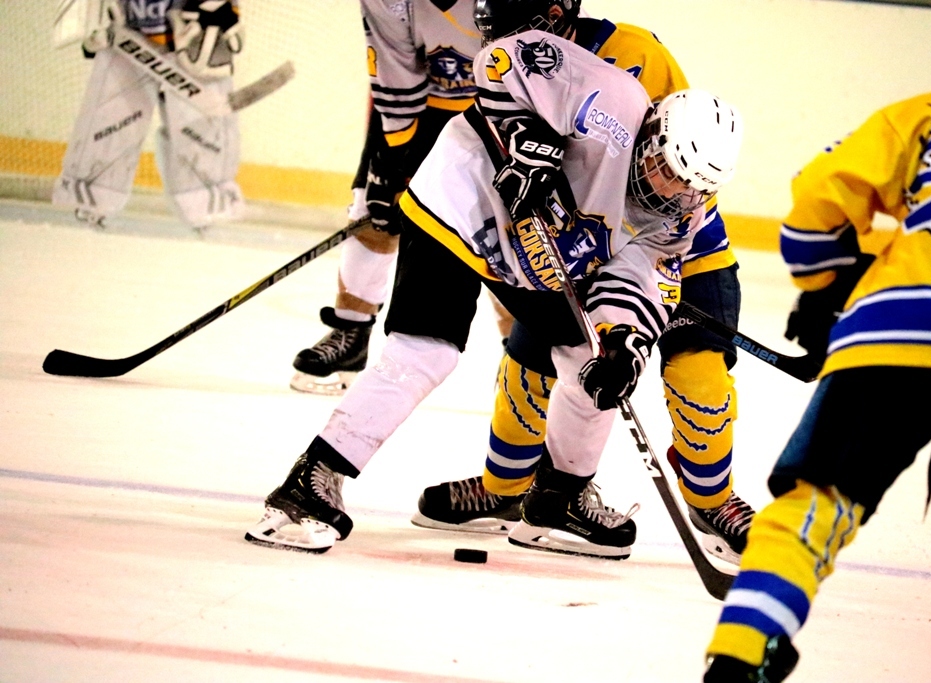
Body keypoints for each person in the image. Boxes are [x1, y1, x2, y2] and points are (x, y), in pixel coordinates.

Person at [245, 6, 743, 561]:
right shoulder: (613, 100)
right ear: (651, 136)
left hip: (531, 258)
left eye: (688, 186)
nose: (670, 189)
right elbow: (499, 60)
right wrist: (528, 138)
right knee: (426, 353)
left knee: (590, 359)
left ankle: (558, 499)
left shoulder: (679, 213)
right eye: (666, 169)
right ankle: (309, 486)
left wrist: (624, 339)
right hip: (459, 207)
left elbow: (635, 276)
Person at [702, 19, 931, 683]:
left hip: (900, 326)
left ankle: (741, 655)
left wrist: (825, 295)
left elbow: (816, 206)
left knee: (816, 501)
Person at [409, 0, 756, 564]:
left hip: (677, 244)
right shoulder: (518, 58)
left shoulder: (635, 55)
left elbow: (682, 165)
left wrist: (629, 324)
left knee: (700, 377)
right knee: (533, 358)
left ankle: (714, 504)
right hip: (583, 239)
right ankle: (505, 490)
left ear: (556, 14)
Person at [289, 0, 486, 395]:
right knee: (373, 208)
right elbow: (395, 70)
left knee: (509, 230)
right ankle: (350, 333)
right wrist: (396, 158)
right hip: (422, 105)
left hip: (499, 112)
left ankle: (525, 359)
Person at [53, 0, 244, 231]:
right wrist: (89, 16)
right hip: (127, 28)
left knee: (199, 128)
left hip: (194, 29)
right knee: (112, 117)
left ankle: (209, 208)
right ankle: (89, 202)